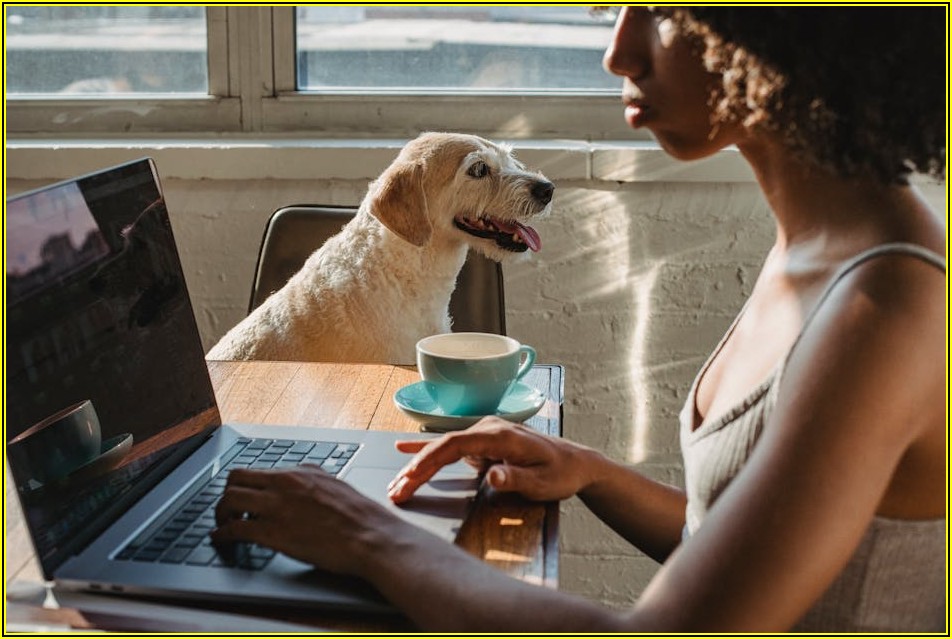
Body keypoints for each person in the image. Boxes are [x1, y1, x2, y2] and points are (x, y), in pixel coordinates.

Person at [213, 7, 946, 631]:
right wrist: (591, 472)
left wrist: (371, 537)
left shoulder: (885, 309)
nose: (616, 50)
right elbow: (737, 539)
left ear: (778, 25)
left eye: (659, 11)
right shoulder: (819, 249)